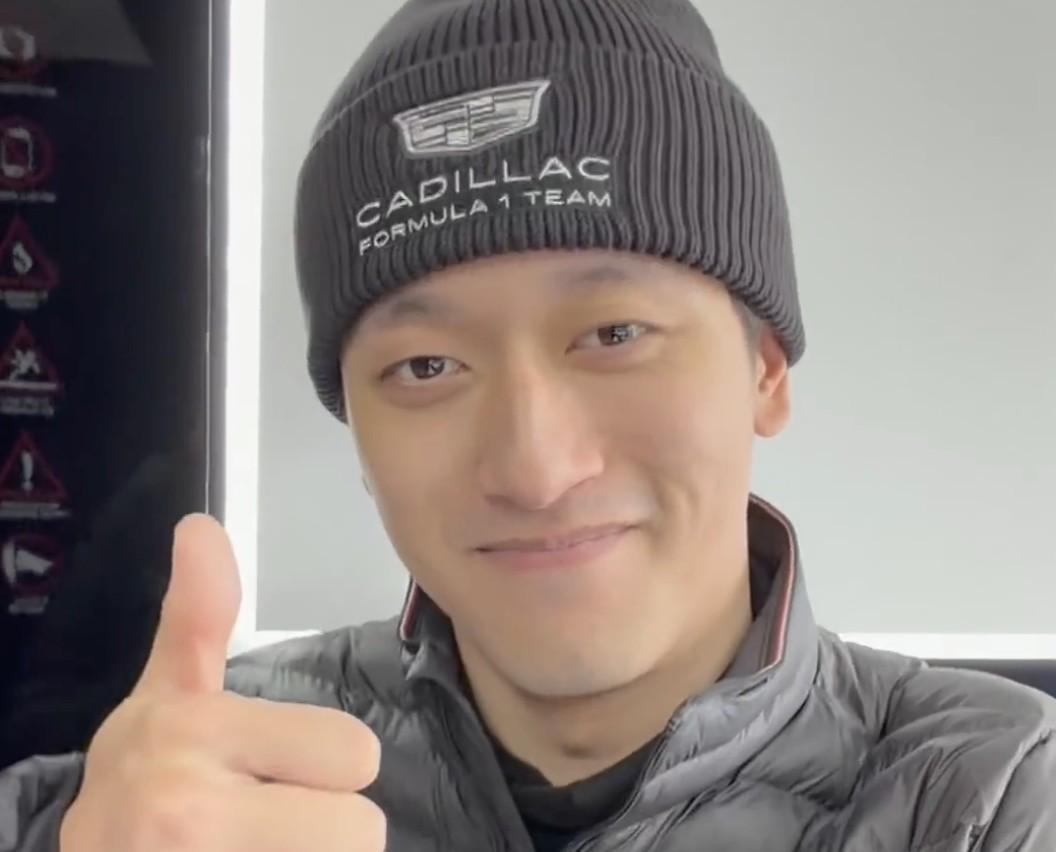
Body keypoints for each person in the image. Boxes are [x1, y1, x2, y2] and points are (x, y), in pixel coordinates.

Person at [4, 1, 1055, 850]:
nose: (535, 468)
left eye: (614, 333)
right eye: (426, 366)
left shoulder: (990, 798)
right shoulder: (193, 778)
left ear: (766, 370)